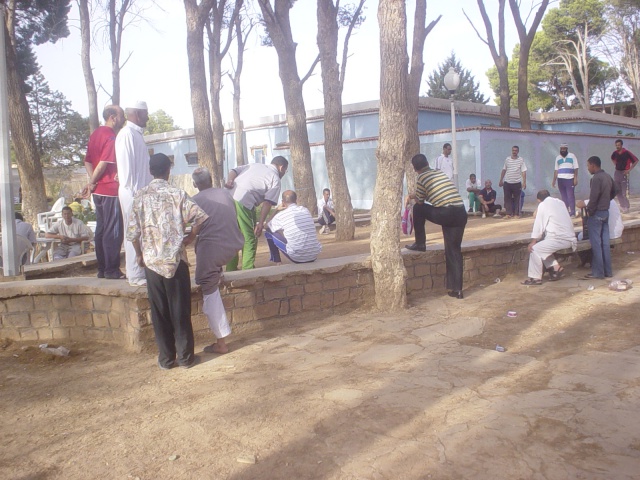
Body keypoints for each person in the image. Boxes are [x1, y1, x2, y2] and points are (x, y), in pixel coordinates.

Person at [127, 153, 208, 370]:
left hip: (152, 263)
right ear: (168, 170)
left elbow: (133, 233)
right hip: (175, 261)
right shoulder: (177, 194)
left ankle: (166, 359)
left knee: (159, 311)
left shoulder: (140, 196)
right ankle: (185, 358)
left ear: (150, 171)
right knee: (180, 310)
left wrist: (139, 254)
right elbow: (200, 217)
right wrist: (191, 237)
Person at [191, 167, 244, 355]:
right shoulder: (225, 193)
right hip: (235, 244)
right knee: (206, 242)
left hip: (214, 250)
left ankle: (221, 343)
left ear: (195, 184)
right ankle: (217, 272)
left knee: (208, 288)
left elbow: (194, 230)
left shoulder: (195, 201)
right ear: (211, 180)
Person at [405, 154, 467, 299]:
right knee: (454, 251)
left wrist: (411, 197)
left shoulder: (421, 178)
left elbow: (420, 201)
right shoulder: (439, 173)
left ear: (415, 169)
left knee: (418, 209)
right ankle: (457, 290)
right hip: (460, 212)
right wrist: (414, 195)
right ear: (428, 162)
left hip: (446, 213)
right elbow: (431, 193)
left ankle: (420, 243)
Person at [82, 105, 126, 280]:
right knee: (113, 230)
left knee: (101, 229)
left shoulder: (95, 135)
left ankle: (102, 268)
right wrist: (93, 182)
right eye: (121, 116)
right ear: (112, 117)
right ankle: (111, 270)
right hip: (109, 190)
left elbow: (87, 161)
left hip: (99, 192)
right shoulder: (111, 137)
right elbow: (103, 163)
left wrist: (93, 182)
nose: (124, 119)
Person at [224, 156, 288, 271]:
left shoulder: (255, 165)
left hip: (227, 198)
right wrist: (260, 223)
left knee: (233, 236)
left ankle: (231, 269)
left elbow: (233, 171)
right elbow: (268, 203)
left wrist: (230, 180)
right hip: (244, 201)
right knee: (250, 237)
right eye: (285, 171)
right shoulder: (275, 178)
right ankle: (247, 270)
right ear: (281, 167)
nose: (284, 173)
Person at [116, 101, 152, 286]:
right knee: (133, 233)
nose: (148, 117)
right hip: (132, 192)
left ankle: (141, 270)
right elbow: (126, 171)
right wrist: (135, 194)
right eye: (146, 113)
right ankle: (135, 274)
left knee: (141, 233)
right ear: (137, 114)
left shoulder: (137, 135)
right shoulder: (126, 134)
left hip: (140, 193)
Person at [521, 190, 577, 286]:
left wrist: (533, 241)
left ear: (539, 200)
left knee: (535, 249)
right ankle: (556, 268)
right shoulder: (560, 202)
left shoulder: (543, 205)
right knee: (543, 248)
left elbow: (539, 224)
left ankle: (536, 278)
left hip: (559, 239)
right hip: (569, 239)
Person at [265, 190, 322, 265]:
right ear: (296, 200)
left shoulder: (281, 215)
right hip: (313, 255)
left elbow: (266, 226)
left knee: (269, 232)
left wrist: (276, 210)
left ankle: (277, 261)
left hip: (297, 257)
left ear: (283, 202)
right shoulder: (305, 210)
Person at [584, 156, 617, 280]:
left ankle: (598, 272)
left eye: (588, 166)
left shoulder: (596, 178)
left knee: (596, 244)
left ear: (593, 165)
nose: (588, 168)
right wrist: (606, 199)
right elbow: (615, 190)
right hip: (605, 212)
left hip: (596, 213)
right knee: (605, 244)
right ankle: (608, 271)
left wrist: (589, 211)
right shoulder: (607, 176)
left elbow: (593, 198)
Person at [610, 138, 638, 214]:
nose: (617, 146)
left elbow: (636, 160)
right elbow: (612, 158)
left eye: (618, 145)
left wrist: (629, 170)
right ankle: (622, 206)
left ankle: (626, 206)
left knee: (623, 192)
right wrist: (615, 164)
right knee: (617, 191)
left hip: (624, 173)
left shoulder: (627, 153)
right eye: (616, 145)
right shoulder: (615, 153)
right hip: (617, 173)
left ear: (622, 145)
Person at [499, 146, 527, 219]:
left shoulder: (521, 160)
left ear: (518, 151)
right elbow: (504, 170)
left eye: (516, 150)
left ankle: (516, 214)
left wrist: (524, 182)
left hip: (517, 182)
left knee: (517, 199)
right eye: (513, 150)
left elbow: (523, 171)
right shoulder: (507, 159)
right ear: (511, 151)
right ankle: (508, 214)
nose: (514, 152)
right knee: (507, 198)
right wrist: (501, 180)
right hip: (507, 182)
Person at [551, 143, 579, 217]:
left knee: (570, 196)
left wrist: (575, 178)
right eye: (561, 149)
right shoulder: (557, 158)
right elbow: (556, 170)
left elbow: (576, 168)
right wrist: (554, 180)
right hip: (560, 180)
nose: (562, 150)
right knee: (563, 196)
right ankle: (566, 212)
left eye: (564, 149)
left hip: (570, 179)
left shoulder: (572, 156)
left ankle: (572, 213)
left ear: (567, 149)